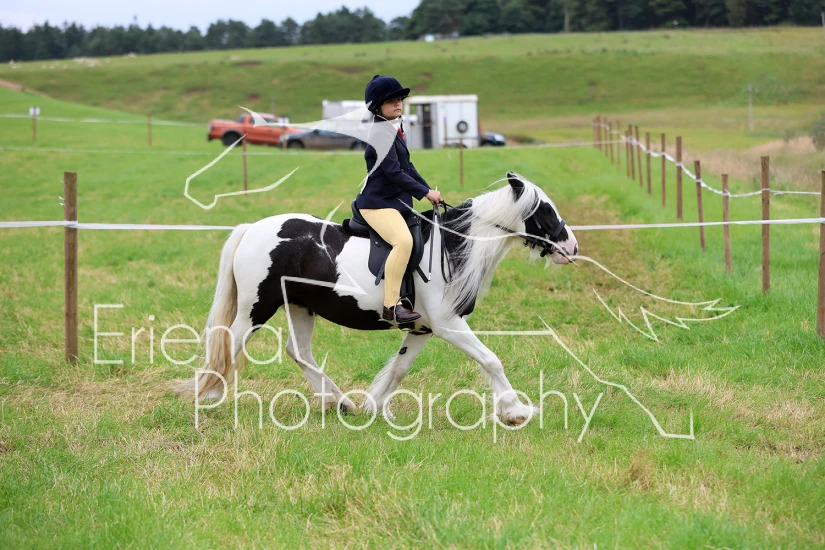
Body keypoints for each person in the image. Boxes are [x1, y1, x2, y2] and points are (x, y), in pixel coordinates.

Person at [356, 75, 443, 324]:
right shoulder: (381, 133)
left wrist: (427, 190)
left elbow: (408, 167)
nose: (398, 104)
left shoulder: (391, 129)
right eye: (390, 100)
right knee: (403, 242)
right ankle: (391, 306)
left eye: (400, 99)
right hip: (377, 204)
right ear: (377, 107)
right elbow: (394, 173)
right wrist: (424, 193)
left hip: (394, 201)